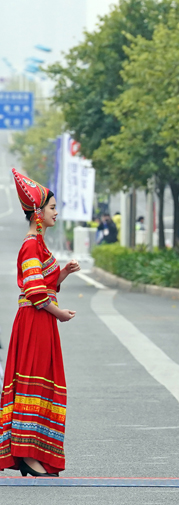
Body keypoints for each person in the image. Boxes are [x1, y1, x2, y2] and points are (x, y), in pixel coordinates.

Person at [1, 169, 80, 477]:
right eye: (51, 208)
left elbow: (44, 285)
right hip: (36, 321)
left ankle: (33, 453)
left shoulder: (39, 244)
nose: (55, 212)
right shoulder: (31, 245)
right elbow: (35, 293)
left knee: (42, 383)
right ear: (37, 213)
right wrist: (61, 314)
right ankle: (26, 454)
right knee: (34, 383)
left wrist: (64, 274)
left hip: (40, 321)